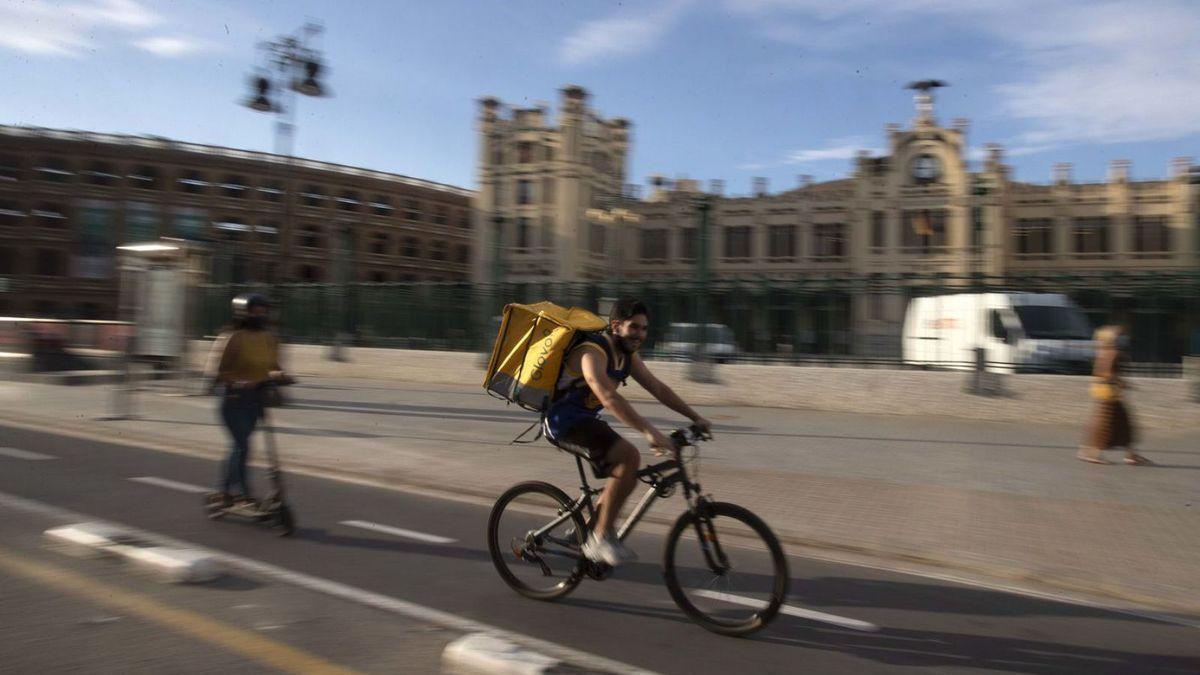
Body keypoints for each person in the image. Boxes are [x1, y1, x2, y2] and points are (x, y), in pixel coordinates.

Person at [543, 298, 711, 566]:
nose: (640, 335)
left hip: (586, 421)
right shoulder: (593, 351)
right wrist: (648, 431)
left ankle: (588, 527)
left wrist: (696, 417)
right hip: (563, 422)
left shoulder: (627, 357)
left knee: (625, 470)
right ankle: (599, 539)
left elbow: (659, 389)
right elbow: (607, 396)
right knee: (629, 458)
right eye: (635, 327)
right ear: (616, 326)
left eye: (644, 329)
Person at [206, 293, 286, 507]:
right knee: (242, 446)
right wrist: (238, 383)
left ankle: (223, 490)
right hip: (232, 398)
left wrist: (281, 377)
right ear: (243, 312)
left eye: (263, 311)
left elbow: (273, 366)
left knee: (239, 446)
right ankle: (241, 494)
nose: (260, 315)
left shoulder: (269, 338)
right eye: (255, 311)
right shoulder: (231, 337)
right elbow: (217, 370)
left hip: (255, 398)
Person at [1078, 325, 1151, 466]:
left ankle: (1130, 454)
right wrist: (1119, 381)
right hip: (1109, 394)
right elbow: (1105, 373)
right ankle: (1092, 453)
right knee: (1105, 425)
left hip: (1108, 393)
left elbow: (1099, 373)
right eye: (1120, 336)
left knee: (1123, 424)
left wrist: (1119, 381)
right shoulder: (1113, 353)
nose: (1123, 339)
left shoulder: (1103, 352)